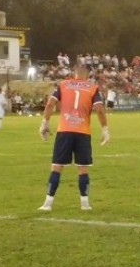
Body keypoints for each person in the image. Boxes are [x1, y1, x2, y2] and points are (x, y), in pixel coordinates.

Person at [38, 65, 110, 212]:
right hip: (83, 131)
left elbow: (51, 104)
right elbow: (100, 110)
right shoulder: (92, 87)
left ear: (74, 74)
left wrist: (44, 124)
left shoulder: (63, 85)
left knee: (57, 166)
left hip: (64, 130)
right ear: (88, 75)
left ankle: (47, 204)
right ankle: (85, 204)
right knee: (83, 168)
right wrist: (105, 129)